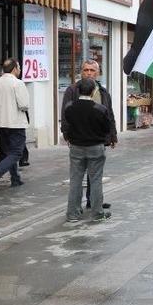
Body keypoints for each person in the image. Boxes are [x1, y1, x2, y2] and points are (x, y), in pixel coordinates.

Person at [61, 60, 117, 209]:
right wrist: (66, 134)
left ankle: (93, 201)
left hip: (98, 139)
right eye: (86, 70)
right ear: (81, 72)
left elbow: (109, 114)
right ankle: (76, 206)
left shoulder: (103, 92)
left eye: (92, 70)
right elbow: (65, 114)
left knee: (95, 174)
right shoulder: (72, 90)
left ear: (98, 73)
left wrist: (113, 135)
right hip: (78, 139)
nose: (89, 73)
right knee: (77, 176)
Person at [0, 59, 29, 189]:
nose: (20, 70)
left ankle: (15, 178)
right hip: (15, 123)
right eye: (19, 67)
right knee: (16, 152)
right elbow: (24, 105)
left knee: (8, 152)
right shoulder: (18, 83)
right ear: (14, 68)